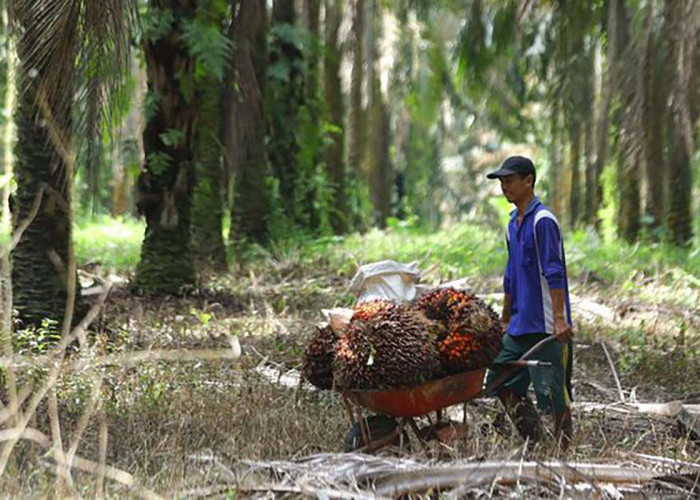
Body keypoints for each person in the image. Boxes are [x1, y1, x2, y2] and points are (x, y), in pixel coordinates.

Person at [485, 155, 574, 450]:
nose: (504, 187)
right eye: (501, 182)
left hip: (547, 324)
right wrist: (506, 316)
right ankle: (534, 440)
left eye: (509, 181)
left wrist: (560, 319)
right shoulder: (513, 223)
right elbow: (511, 273)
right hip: (520, 322)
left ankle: (562, 452)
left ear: (529, 181)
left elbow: (554, 271)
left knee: (553, 392)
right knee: (499, 379)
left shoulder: (542, 221)